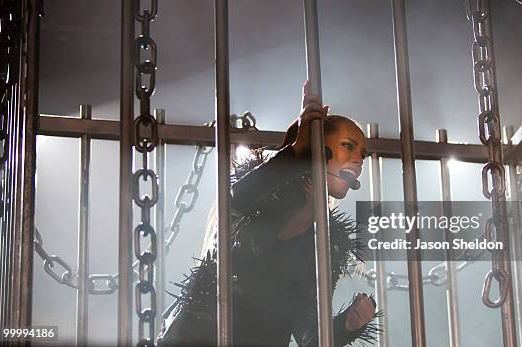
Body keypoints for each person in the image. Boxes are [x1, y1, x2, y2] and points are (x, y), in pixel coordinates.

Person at [156, 82, 380, 346]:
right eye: (347, 146)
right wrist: (296, 152)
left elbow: (309, 334)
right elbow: (234, 205)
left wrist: (348, 325)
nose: (358, 161)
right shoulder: (262, 196)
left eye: (362, 154)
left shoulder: (328, 244)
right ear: (318, 148)